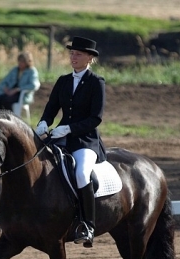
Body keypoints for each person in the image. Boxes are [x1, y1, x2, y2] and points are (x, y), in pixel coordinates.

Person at [34, 36, 107, 248]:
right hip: (60, 137)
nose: (73, 57)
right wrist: (43, 123)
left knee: (82, 173)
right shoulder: (63, 81)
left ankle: (88, 225)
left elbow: (96, 118)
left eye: (78, 54)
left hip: (85, 140)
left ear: (90, 58)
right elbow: (51, 108)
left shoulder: (96, 83)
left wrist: (70, 128)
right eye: (72, 53)